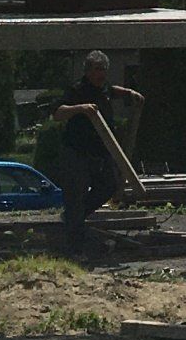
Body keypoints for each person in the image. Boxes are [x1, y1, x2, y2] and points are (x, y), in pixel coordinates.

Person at [55, 48, 142, 251]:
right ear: (87, 71)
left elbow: (112, 90)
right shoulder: (77, 90)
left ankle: (73, 218)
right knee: (75, 193)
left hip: (100, 152)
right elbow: (58, 113)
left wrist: (129, 93)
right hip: (77, 151)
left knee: (110, 184)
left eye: (103, 69)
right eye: (97, 69)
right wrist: (81, 108)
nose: (101, 73)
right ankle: (74, 245)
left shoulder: (104, 88)